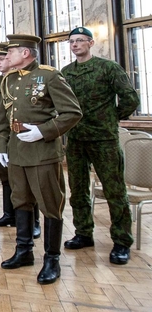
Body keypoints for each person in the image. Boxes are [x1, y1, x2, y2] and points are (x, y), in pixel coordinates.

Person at [0, 34, 82, 285]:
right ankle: (24, 251)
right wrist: (2, 145)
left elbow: (72, 112)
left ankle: (51, 259)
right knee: (20, 201)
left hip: (43, 152)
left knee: (49, 203)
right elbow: (3, 118)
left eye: (10, 52)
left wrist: (43, 131)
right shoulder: (9, 79)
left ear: (25, 53)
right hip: (17, 151)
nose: (5, 56)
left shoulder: (50, 76)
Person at [61, 26, 140, 265]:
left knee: (114, 191)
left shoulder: (108, 68)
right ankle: (83, 233)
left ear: (91, 43)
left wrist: (111, 117)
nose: (75, 45)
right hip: (75, 138)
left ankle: (121, 241)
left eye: (80, 41)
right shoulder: (66, 72)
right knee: (78, 190)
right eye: (72, 41)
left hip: (104, 139)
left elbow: (130, 99)